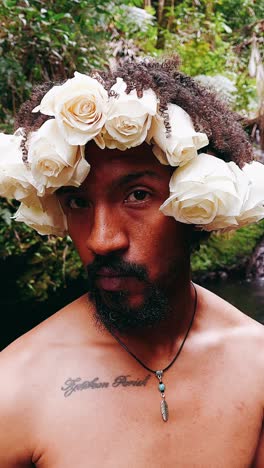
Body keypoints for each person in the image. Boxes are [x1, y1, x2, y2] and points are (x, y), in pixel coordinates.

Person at [0, 57, 264, 467]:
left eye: (137, 195)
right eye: (78, 202)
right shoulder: (15, 386)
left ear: (195, 206)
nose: (101, 239)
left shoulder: (256, 364)